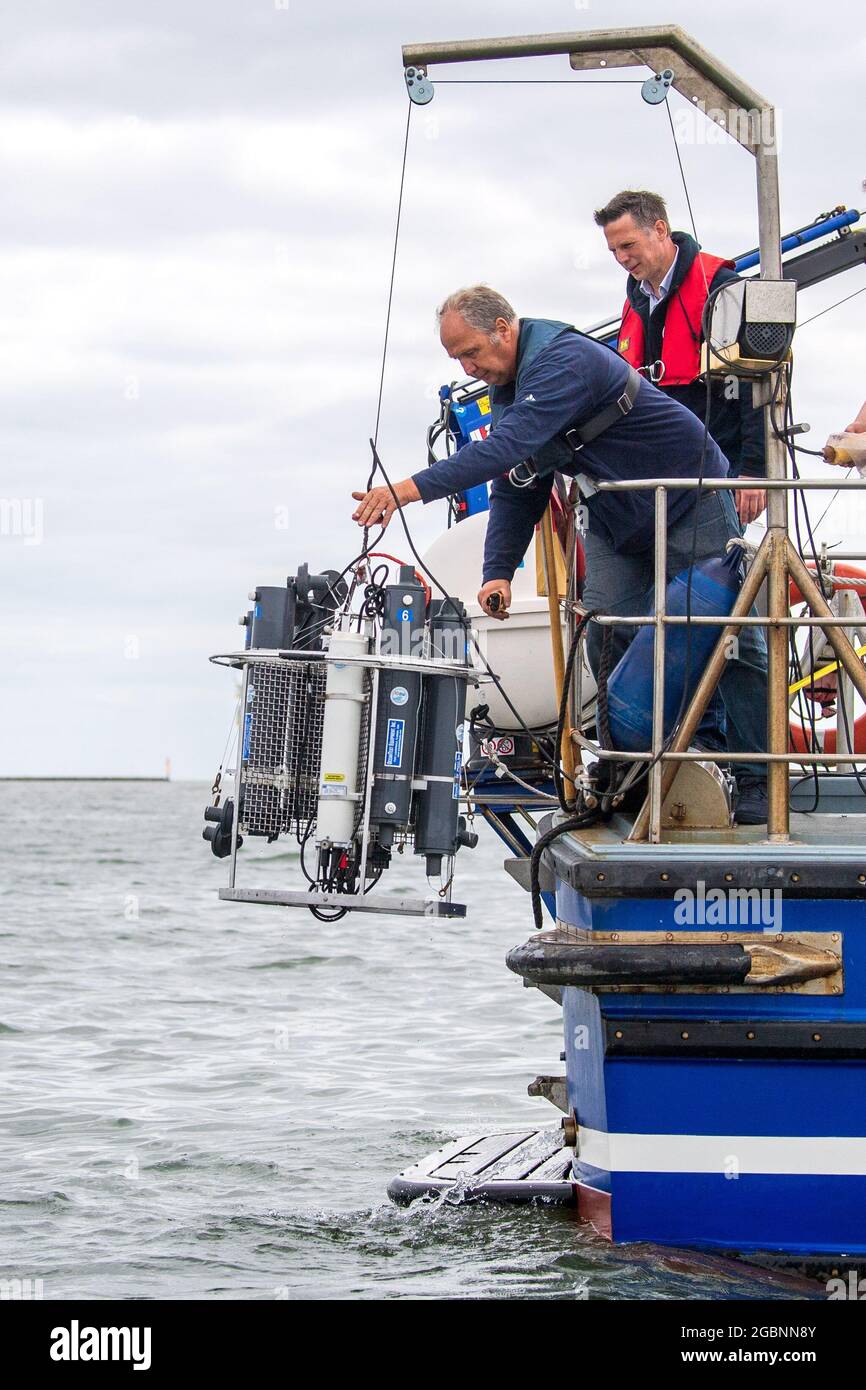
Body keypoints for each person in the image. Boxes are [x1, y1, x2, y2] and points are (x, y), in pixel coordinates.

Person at [351, 285, 769, 823]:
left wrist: (404, 491)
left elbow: (504, 448)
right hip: (621, 517)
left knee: (736, 638)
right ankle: (634, 768)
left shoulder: (562, 360)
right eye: (456, 359)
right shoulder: (509, 391)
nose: (467, 366)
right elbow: (518, 483)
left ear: (504, 327)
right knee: (607, 629)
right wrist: (497, 572)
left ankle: (756, 777)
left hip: (691, 493)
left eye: (470, 352)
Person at [594, 189, 767, 526]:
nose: (621, 258)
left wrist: (754, 471)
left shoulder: (721, 288)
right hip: (659, 478)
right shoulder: (635, 303)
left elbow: (757, 379)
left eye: (627, 245)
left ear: (660, 230)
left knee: (714, 572)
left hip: (718, 471)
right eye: (614, 250)